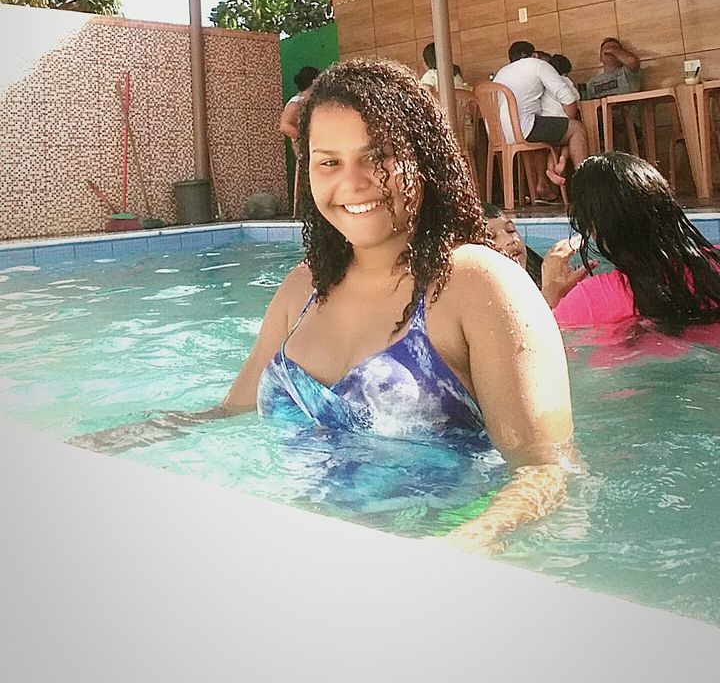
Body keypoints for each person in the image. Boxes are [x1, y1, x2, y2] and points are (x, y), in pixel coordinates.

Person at [72, 57, 574, 553]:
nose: (353, 182)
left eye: (378, 157)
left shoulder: (476, 284)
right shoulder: (302, 289)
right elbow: (231, 412)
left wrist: (465, 543)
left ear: (423, 161)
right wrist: (103, 445)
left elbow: (545, 468)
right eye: (329, 161)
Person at [541, 152, 720, 331]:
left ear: (595, 228)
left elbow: (539, 347)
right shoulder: (714, 266)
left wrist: (550, 296)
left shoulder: (590, 300)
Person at [493, 41, 588, 197]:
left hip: (500, 135)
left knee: (543, 133)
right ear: (535, 55)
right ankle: (586, 188)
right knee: (576, 129)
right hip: (525, 128)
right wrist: (567, 124)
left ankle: (542, 185)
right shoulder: (538, 64)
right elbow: (568, 98)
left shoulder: (501, 73)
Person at [279, 66, 320, 149]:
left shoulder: (312, 100)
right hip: (305, 148)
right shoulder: (296, 103)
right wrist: (304, 138)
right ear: (313, 81)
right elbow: (284, 126)